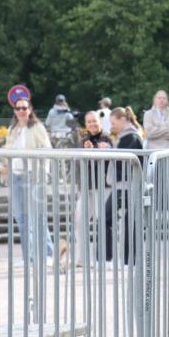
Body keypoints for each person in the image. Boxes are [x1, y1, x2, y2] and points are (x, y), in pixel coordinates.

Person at [3, 99, 55, 265]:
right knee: (21, 217)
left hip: (33, 175)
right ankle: (30, 256)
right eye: (17, 108)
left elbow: (47, 150)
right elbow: (7, 151)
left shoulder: (37, 128)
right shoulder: (12, 129)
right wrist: (4, 166)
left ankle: (47, 253)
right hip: (16, 176)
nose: (21, 111)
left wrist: (42, 173)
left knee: (35, 216)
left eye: (24, 108)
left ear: (30, 109)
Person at [105, 107, 144, 265]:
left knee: (118, 220)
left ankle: (120, 259)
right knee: (126, 221)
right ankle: (125, 260)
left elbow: (126, 162)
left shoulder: (131, 137)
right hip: (125, 185)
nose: (112, 126)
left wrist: (109, 152)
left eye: (113, 123)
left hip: (126, 185)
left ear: (122, 119)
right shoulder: (128, 136)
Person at [73, 111, 112, 265]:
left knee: (100, 222)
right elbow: (77, 164)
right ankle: (81, 257)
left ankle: (100, 257)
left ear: (100, 122)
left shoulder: (107, 138)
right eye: (89, 122)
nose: (92, 124)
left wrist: (97, 149)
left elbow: (111, 161)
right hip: (85, 187)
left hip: (102, 186)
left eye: (94, 121)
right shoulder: (83, 140)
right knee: (80, 220)